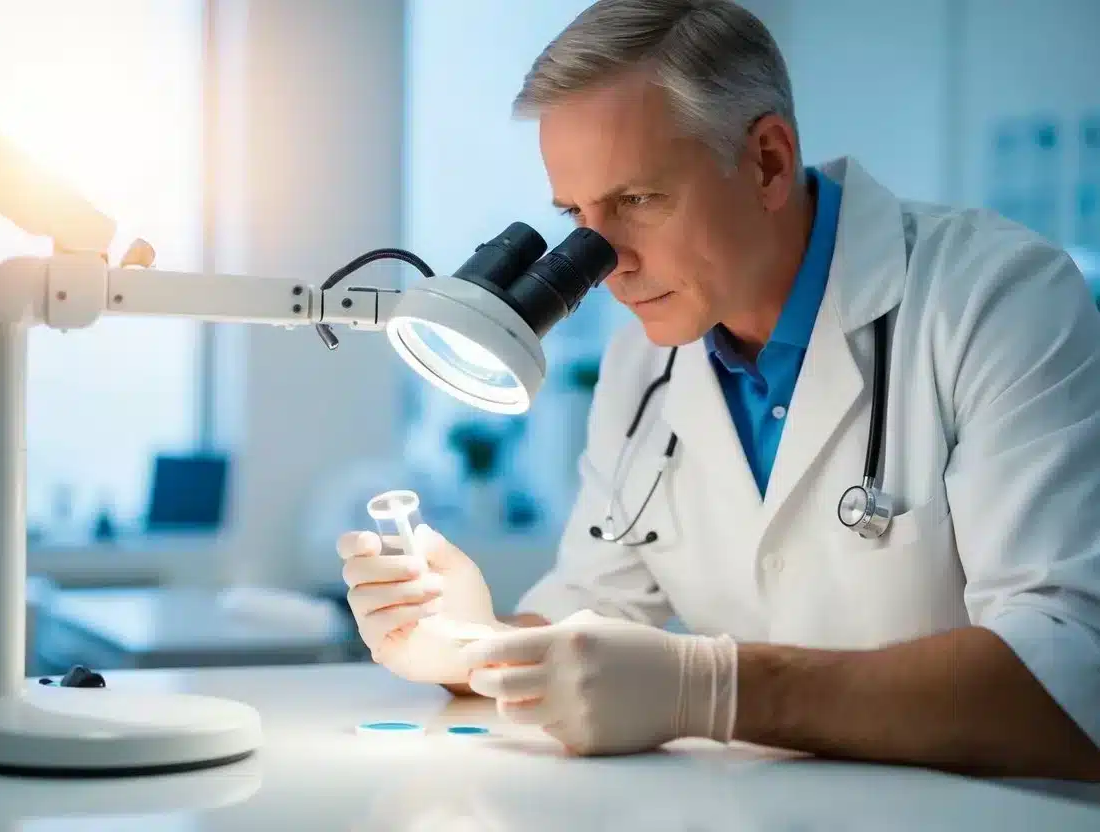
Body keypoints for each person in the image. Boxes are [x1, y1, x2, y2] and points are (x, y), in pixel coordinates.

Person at [338, 0, 1100, 780]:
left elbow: (1069, 677)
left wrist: (715, 691)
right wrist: (470, 642)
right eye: (575, 215)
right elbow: (584, 616)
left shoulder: (995, 299)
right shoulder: (646, 364)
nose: (606, 264)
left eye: (636, 201)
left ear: (767, 160)